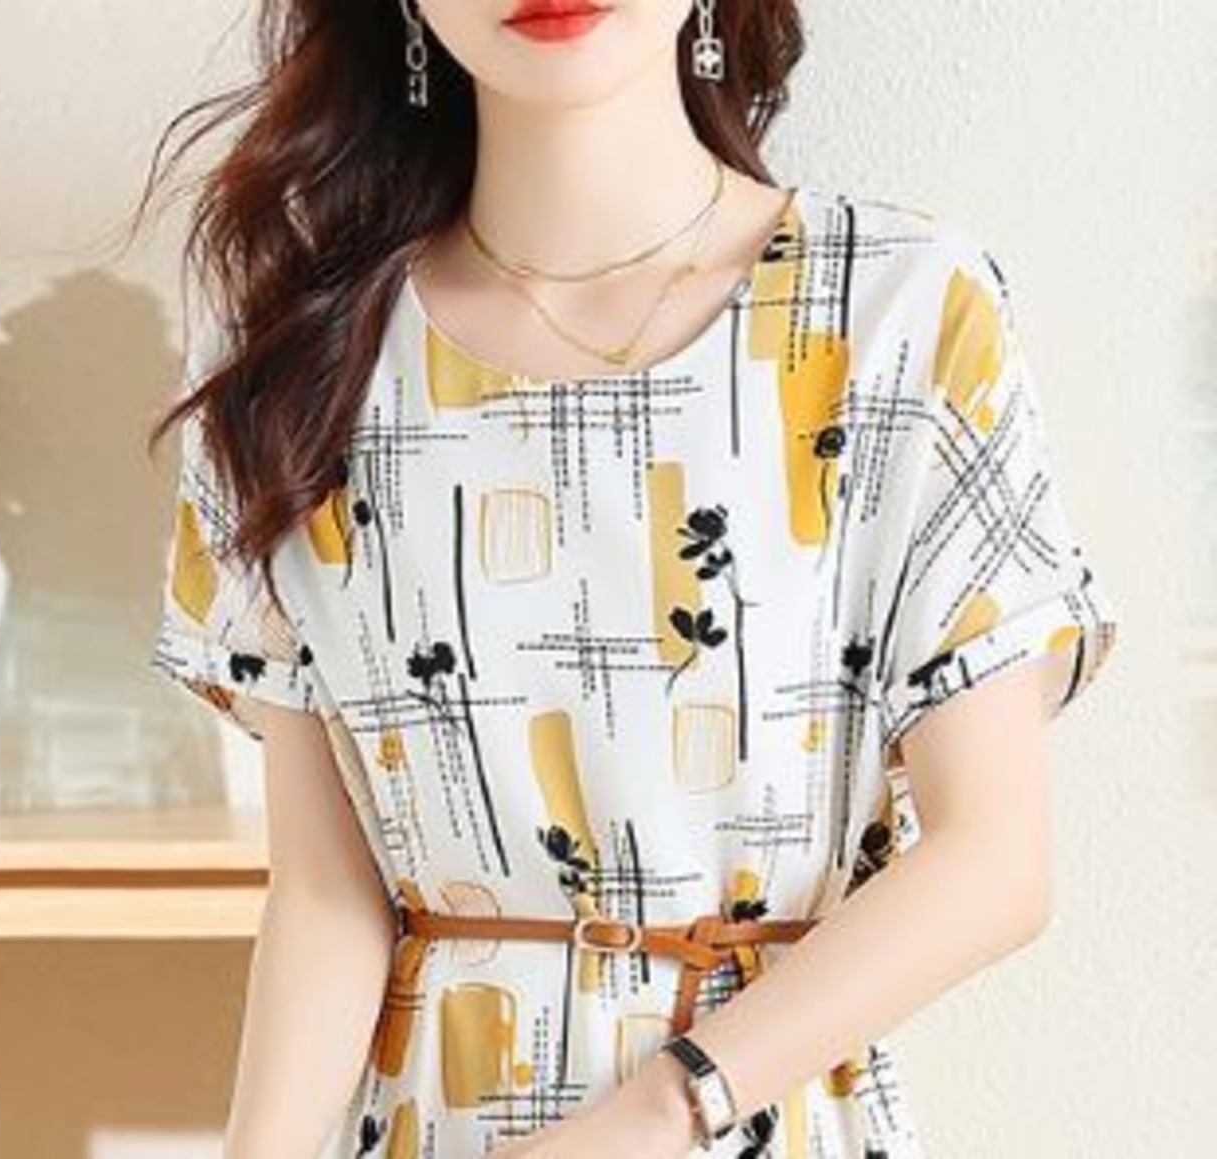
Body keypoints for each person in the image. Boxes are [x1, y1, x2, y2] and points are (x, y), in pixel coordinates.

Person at [144, 1, 1120, 1156]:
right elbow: (326, 891)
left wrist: (655, 1114)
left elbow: (992, 862)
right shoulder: (299, 355)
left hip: (759, 1117)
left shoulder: (894, 311)